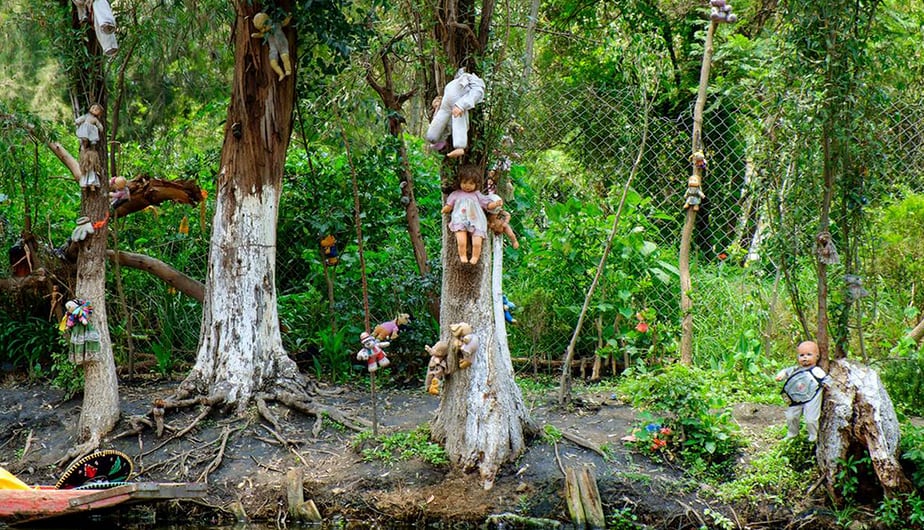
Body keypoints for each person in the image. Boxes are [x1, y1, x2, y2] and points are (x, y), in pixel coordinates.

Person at [441, 165, 501, 265]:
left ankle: (475, 257)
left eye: (471, 183)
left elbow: (487, 205)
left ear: (476, 184)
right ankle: (463, 256)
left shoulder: (477, 195)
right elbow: (449, 205)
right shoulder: (456, 194)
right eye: (464, 182)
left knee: (477, 242)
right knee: (461, 241)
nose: (467, 186)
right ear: (460, 182)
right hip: (460, 219)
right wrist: (446, 209)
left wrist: (494, 204)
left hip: (476, 220)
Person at [775, 340, 828, 442]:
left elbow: (826, 381)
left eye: (809, 354)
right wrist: (781, 375)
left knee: (810, 419)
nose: (805, 357)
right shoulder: (795, 370)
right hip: (796, 398)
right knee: (791, 416)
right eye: (801, 355)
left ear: (817, 356)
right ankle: (792, 434)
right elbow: (785, 372)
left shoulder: (817, 371)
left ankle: (813, 437)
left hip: (812, 398)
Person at [426, 68, 485, 158]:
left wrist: (461, 105)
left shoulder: (471, 81)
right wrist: (439, 103)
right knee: (440, 122)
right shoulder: (455, 83)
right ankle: (435, 139)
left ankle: (459, 147)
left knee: (459, 122)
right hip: (446, 105)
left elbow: (476, 93)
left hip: (457, 105)